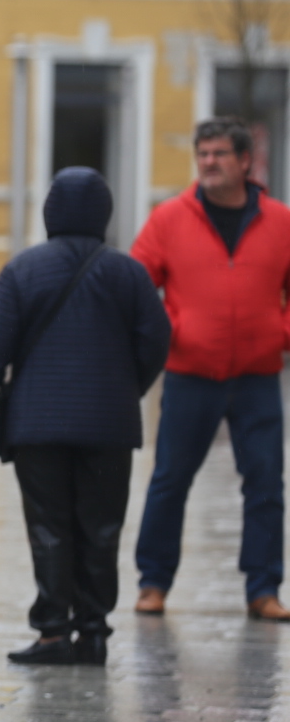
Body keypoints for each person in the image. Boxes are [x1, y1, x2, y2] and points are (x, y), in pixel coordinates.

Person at [0, 168, 170, 665]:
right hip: (109, 425)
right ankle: (93, 632)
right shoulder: (129, 273)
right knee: (102, 528)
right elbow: (156, 341)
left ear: (49, 211)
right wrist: (128, 388)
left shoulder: (23, 270)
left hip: (39, 425)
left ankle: (53, 633)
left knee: (49, 527)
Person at [130, 117, 290, 621]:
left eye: (219, 154)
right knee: (169, 480)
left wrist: (281, 333)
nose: (208, 163)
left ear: (245, 161)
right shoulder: (168, 219)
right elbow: (137, 287)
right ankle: (153, 583)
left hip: (258, 377)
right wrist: (172, 328)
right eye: (202, 154)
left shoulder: (280, 221)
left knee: (266, 485)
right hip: (190, 374)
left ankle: (263, 589)